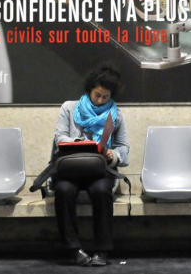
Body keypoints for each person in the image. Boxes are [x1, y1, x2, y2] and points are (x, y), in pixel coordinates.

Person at [52, 65, 130, 267]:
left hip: (99, 170)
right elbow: (59, 137)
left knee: (102, 191)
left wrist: (113, 155)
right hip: (71, 168)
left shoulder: (116, 115)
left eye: (105, 97)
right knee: (63, 190)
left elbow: (124, 148)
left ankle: (102, 250)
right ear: (89, 90)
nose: (100, 100)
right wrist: (80, 144)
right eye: (97, 95)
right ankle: (73, 249)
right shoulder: (69, 108)